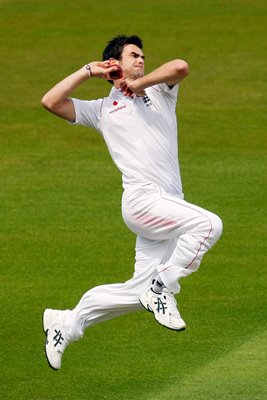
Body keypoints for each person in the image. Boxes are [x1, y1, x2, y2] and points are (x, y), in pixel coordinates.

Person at [41, 34, 223, 370]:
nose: (141, 60)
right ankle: (163, 287)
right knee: (209, 224)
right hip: (143, 201)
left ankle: (67, 322)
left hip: (168, 205)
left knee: (135, 292)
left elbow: (180, 67)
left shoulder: (160, 92)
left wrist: (141, 85)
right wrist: (87, 71)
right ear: (114, 63)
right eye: (134, 56)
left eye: (143, 56)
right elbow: (51, 102)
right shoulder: (101, 110)